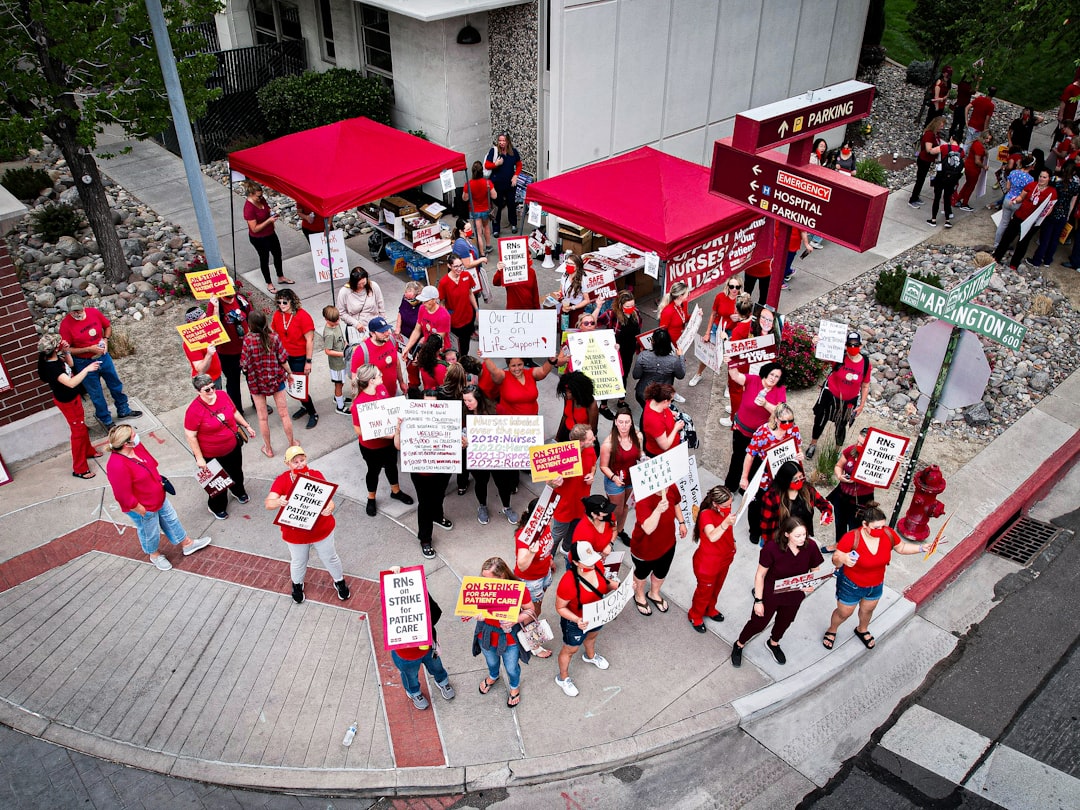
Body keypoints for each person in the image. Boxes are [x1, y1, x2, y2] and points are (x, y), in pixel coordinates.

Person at [105, 424, 212, 569]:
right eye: (133, 435)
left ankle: (187, 543)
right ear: (126, 444)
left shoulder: (136, 448)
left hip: (158, 497)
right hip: (143, 507)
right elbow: (122, 495)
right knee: (150, 532)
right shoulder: (116, 465)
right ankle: (154, 554)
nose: (136, 436)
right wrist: (141, 510)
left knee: (171, 519)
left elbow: (151, 464)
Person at [823, 503, 928, 651]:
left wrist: (921, 548)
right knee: (844, 613)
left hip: (876, 585)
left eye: (883, 526)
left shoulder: (888, 533)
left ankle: (862, 629)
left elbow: (902, 548)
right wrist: (843, 559)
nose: (880, 530)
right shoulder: (851, 537)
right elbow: (837, 559)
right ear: (865, 524)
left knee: (867, 610)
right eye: (876, 528)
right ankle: (832, 630)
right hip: (851, 585)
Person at [730, 516, 824, 667]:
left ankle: (773, 643)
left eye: (804, 535)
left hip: (794, 594)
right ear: (786, 534)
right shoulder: (771, 548)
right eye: (797, 536)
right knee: (758, 623)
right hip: (771, 593)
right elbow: (760, 575)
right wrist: (758, 601)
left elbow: (815, 570)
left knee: (784, 622)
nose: (802, 539)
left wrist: (810, 582)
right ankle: (739, 644)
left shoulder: (810, 546)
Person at [266, 446, 350, 604]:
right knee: (298, 560)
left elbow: (329, 500)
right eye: (295, 461)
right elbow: (269, 503)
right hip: (295, 534)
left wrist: (330, 508)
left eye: (302, 460)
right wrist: (278, 501)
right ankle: (297, 585)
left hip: (321, 530)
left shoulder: (316, 475)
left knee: (330, 557)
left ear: (306, 459)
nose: (299, 464)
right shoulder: (282, 480)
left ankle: (339, 581)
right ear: (287, 463)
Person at [59, 300, 142, 428]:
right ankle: (106, 419)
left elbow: (107, 326)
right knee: (96, 393)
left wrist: (105, 339)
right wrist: (88, 349)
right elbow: (67, 349)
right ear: (69, 310)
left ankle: (123, 410)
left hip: (103, 356)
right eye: (74, 311)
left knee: (115, 384)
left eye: (79, 310)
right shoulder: (66, 325)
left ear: (84, 307)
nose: (77, 313)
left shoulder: (93, 313)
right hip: (84, 362)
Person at [183, 373, 254, 520]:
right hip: (211, 453)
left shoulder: (222, 395)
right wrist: (199, 458)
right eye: (207, 390)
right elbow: (191, 435)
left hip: (232, 445)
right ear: (198, 392)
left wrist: (246, 426)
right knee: (217, 484)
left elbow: (233, 412)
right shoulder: (194, 410)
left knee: (236, 472)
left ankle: (238, 490)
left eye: (213, 387)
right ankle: (217, 506)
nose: (212, 391)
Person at [394, 392, 453, 560]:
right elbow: (398, 446)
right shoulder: (411, 420)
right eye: (426, 403)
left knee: (439, 495)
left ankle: (437, 516)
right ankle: (425, 539)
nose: (429, 407)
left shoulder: (447, 418)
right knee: (425, 504)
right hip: (421, 472)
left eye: (433, 404)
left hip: (442, 469)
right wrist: (398, 429)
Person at [36, 333, 102, 479]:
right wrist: (88, 369)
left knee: (81, 426)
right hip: (68, 402)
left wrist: (66, 352)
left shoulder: (54, 358)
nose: (62, 342)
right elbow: (71, 382)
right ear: (54, 348)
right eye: (59, 343)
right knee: (77, 433)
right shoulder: (51, 367)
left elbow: (70, 366)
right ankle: (79, 468)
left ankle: (88, 451)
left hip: (73, 398)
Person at [387, 574, 455, 711]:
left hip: (428, 648)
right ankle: (414, 692)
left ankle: (442, 681)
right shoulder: (391, 603)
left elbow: (436, 612)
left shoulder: (421, 596)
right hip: (406, 654)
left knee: (436, 666)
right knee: (410, 675)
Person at [472, 557, 534, 708]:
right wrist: (475, 613)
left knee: (512, 667)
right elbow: (471, 606)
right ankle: (493, 676)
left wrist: (516, 619)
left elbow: (530, 609)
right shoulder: (480, 587)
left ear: (502, 576)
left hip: (509, 636)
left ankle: (514, 686)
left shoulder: (519, 588)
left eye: (489, 579)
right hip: (487, 633)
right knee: (491, 661)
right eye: (483, 577)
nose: (485, 582)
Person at [352, 364, 414, 516]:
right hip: (371, 447)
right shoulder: (359, 404)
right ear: (371, 380)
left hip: (389, 442)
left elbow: (389, 410)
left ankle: (396, 491)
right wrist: (382, 434)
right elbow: (358, 430)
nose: (382, 376)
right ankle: (371, 497)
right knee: (373, 471)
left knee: (392, 466)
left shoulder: (382, 389)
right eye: (379, 375)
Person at [554, 541, 613, 697]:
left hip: (596, 615)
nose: (593, 564)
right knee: (570, 649)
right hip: (576, 622)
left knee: (592, 637)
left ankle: (590, 656)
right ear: (575, 562)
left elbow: (603, 587)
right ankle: (563, 677)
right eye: (588, 562)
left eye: (593, 559)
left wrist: (616, 586)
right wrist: (576, 619)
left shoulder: (598, 565)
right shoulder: (568, 582)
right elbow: (560, 607)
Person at [739, 402, 802, 544]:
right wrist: (744, 477)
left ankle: (772, 529)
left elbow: (797, 447)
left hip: (783, 476)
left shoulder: (793, 430)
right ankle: (754, 531)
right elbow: (750, 455)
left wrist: (800, 455)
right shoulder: (763, 432)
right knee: (756, 505)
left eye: (791, 421)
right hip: (763, 474)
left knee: (778, 504)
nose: (788, 424)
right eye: (784, 421)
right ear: (776, 419)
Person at [805, 331, 871, 460]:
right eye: (850, 345)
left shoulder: (866, 363)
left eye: (856, 345)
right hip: (830, 394)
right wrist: (816, 345)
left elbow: (865, 385)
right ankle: (813, 444)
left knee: (841, 426)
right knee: (820, 420)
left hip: (849, 400)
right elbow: (821, 356)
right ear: (845, 346)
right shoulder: (838, 356)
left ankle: (836, 451)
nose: (853, 347)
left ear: (861, 346)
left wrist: (862, 404)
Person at [238, 310, 296, 459]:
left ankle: (268, 449)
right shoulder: (274, 337)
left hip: (256, 382)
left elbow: (243, 364)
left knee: (262, 418)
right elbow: (283, 360)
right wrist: (289, 374)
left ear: (250, 325)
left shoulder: (248, 340)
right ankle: (292, 443)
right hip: (276, 378)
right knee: (284, 414)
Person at [724, 361, 787, 492]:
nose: (773, 378)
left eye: (777, 376)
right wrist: (731, 361)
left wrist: (765, 404)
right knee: (737, 457)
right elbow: (735, 376)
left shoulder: (780, 390)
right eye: (772, 374)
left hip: (760, 437)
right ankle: (730, 486)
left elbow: (780, 413)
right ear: (765, 373)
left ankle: (746, 489)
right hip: (741, 430)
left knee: (755, 462)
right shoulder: (753, 380)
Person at [461, 385, 518, 525]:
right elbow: (459, 431)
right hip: (475, 456)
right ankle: (482, 506)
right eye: (464, 401)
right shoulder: (464, 413)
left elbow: (510, 428)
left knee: (502, 483)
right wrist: (463, 441)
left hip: (496, 454)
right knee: (480, 482)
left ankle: (507, 507)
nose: (466, 404)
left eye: (469, 400)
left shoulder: (497, 410)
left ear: (479, 399)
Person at [630, 482, 685, 616]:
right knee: (641, 574)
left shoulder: (671, 487)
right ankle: (639, 595)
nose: (666, 488)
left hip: (668, 543)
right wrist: (658, 510)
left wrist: (681, 522)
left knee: (661, 572)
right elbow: (648, 528)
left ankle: (654, 593)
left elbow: (676, 503)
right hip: (645, 548)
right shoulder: (643, 498)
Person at [688, 486, 737, 632]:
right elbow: (712, 535)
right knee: (704, 593)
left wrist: (733, 541)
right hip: (708, 564)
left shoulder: (723, 510)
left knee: (717, 588)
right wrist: (725, 524)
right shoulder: (706, 515)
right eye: (726, 505)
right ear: (715, 504)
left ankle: (710, 609)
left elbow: (727, 531)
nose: (729, 507)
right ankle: (695, 615)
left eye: (730, 504)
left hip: (725, 558)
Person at [759, 460, 834, 552]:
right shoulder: (771, 497)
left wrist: (826, 515)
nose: (799, 481)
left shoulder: (808, 490)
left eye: (801, 478)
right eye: (795, 479)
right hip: (782, 542)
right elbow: (766, 528)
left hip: (803, 538)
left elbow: (825, 505)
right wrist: (771, 549)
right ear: (785, 480)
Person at [549, 423, 598, 558]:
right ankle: (549, 556)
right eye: (590, 438)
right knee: (557, 534)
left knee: (574, 530)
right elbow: (549, 483)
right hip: (564, 506)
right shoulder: (562, 456)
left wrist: (592, 474)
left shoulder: (590, 450)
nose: (594, 439)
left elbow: (594, 465)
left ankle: (566, 548)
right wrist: (554, 481)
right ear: (581, 442)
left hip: (581, 503)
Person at [272, 289, 318, 430]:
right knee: (292, 386)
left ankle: (313, 412)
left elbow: (309, 340)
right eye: (279, 302)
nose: (282, 304)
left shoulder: (303, 316)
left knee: (300, 388)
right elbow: (274, 333)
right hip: (285, 358)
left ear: (292, 301)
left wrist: (308, 362)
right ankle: (304, 406)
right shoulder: (278, 315)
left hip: (299, 357)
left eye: (285, 302)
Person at [993, 168, 1057, 269]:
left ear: (1049, 179)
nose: (1041, 179)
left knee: (1023, 242)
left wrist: (1040, 217)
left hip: (1032, 221)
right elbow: (1021, 197)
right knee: (1007, 236)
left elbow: (1049, 209)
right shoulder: (1032, 185)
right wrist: (1014, 201)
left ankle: (1014, 263)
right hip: (1020, 215)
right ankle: (997, 256)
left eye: (1044, 177)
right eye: (1040, 176)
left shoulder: (1051, 192)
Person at [597, 406, 643, 545]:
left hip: (631, 478)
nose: (624, 425)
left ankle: (619, 531)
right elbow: (603, 466)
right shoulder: (608, 444)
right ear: (615, 422)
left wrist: (644, 458)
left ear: (631, 423)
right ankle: (609, 535)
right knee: (615, 511)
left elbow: (639, 454)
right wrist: (613, 478)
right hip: (615, 481)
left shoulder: (638, 436)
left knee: (625, 508)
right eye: (621, 422)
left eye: (627, 422)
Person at [205, 290, 253, 414]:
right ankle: (237, 411)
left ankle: (257, 403)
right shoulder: (216, 304)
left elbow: (251, 316)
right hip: (227, 354)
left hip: (246, 349)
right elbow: (211, 327)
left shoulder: (240, 299)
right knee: (233, 383)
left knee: (252, 379)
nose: (231, 292)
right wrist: (214, 307)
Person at [690, 276, 741, 387]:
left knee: (731, 359)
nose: (734, 289)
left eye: (737, 287)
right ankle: (698, 374)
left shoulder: (742, 300)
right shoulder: (720, 297)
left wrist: (740, 318)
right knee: (707, 352)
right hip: (717, 328)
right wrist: (708, 332)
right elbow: (713, 314)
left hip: (733, 331)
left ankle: (729, 385)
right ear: (727, 286)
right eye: (732, 286)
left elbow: (748, 317)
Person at [242, 181, 292, 293]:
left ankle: (280, 276)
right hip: (258, 238)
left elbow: (267, 209)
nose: (261, 198)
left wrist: (271, 214)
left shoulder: (261, 199)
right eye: (258, 196)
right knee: (264, 259)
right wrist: (268, 221)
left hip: (270, 233)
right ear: (251, 194)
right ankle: (269, 283)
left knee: (277, 254)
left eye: (261, 195)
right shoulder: (249, 208)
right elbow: (254, 228)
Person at [829, 427, 876, 543]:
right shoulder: (851, 450)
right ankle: (839, 545)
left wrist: (898, 464)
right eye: (858, 442)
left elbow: (891, 479)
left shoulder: (875, 460)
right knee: (840, 522)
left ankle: (851, 549)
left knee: (855, 527)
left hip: (861, 500)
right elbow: (838, 466)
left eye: (862, 444)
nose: (858, 445)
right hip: (843, 494)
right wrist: (840, 476)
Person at [1031, 161, 1079, 267]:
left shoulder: (1055, 181)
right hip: (1063, 214)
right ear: (1074, 172)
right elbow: (1072, 202)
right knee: (1055, 239)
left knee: (1045, 238)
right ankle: (1048, 260)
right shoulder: (1075, 185)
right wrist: (1068, 215)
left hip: (1051, 212)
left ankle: (1037, 260)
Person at [483, 355, 560, 417]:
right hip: (511, 421)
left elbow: (543, 371)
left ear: (524, 363)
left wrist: (551, 361)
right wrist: (486, 359)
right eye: (513, 366)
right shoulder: (503, 376)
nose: (517, 369)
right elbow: (494, 371)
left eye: (520, 364)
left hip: (532, 419)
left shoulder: (531, 373)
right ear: (508, 365)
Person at [631, 327, 684, 411]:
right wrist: (681, 356)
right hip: (662, 396)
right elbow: (681, 375)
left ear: (653, 342)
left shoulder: (643, 355)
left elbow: (636, 375)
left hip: (643, 394)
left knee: (646, 412)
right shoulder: (674, 361)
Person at [437, 256, 479, 357]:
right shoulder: (444, 283)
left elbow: (470, 293)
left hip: (468, 317)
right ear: (449, 266)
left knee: (465, 345)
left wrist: (477, 310)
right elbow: (442, 303)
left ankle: (463, 363)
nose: (459, 269)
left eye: (461, 266)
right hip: (454, 320)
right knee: (455, 347)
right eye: (456, 266)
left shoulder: (466, 275)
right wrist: (444, 319)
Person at [351, 316, 402, 397]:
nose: (387, 333)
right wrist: (358, 400)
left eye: (387, 329)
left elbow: (397, 363)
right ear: (372, 333)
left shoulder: (391, 340)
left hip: (394, 392)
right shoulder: (361, 352)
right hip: (375, 399)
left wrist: (401, 382)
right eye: (382, 332)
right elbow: (355, 380)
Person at [994, 155, 1036, 245]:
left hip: (1008, 199)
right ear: (1031, 166)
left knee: (1003, 223)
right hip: (1018, 203)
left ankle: (997, 243)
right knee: (1013, 226)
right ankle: (1006, 244)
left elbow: (1008, 187)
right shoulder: (1030, 179)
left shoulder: (1013, 172)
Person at [485, 132, 522, 237]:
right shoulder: (494, 151)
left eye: (503, 141)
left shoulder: (513, 152)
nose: (501, 143)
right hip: (497, 184)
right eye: (500, 140)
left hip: (510, 184)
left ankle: (513, 223)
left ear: (508, 141)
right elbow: (487, 165)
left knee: (511, 204)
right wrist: (496, 164)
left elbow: (519, 165)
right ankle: (496, 228)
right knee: (497, 206)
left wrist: (516, 176)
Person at [335, 267, 386, 339]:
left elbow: (381, 305)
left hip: (374, 328)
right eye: (359, 284)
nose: (362, 286)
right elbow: (341, 313)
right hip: (357, 330)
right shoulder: (344, 292)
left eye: (364, 283)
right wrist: (356, 323)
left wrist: (382, 323)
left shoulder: (374, 286)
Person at [403, 285, 451, 356]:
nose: (423, 303)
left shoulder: (443, 316)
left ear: (434, 299)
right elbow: (417, 330)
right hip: (427, 346)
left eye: (426, 301)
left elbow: (437, 341)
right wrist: (407, 347)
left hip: (440, 350)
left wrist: (423, 355)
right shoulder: (422, 308)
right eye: (423, 301)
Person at [927, 135, 964, 228]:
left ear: (951, 138)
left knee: (937, 198)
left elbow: (931, 151)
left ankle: (933, 219)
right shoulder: (961, 151)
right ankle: (947, 220)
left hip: (941, 176)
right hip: (952, 179)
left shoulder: (945, 147)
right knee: (947, 198)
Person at [181, 306, 222, 387]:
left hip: (216, 376)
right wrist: (209, 354)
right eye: (203, 320)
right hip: (207, 383)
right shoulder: (190, 343)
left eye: (206, 318)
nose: (207, 321)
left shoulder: (205, 332)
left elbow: (215, 322)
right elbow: (200, 370)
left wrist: (216, 307)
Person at [909, 116, 944, 208]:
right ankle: (912, 199)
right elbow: (929, 149)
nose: (942, 127)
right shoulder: (929, 134)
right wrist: (941, 149)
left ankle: (916, 196)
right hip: (924, 160)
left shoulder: (936, 134)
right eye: (941, 125)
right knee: (920, 180)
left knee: (922, 179)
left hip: (928, 160)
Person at [641, 382, 683, 458]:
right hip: (662, 454)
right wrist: (676, 428)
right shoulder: (655, 422)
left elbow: (664, 409)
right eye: (671, 400)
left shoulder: (653, 401)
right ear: (665, 401)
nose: (670, 403)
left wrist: (670, 413)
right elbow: (665, 446)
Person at [550, 253, 591, 331]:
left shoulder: (583, 279)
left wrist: (573, 307)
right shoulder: (565, 275)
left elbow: (587, 300)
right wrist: (559, 294)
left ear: (577, 266)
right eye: (567, 263)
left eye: (571, 264)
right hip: (565, 306)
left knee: (573, 330)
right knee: (563, 328)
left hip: (576, 308)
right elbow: (561, 290)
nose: (568, 265)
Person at [462, 161, 497, 253]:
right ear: (482, 171)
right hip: (486, 209)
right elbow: (494, 196)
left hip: (474, 211)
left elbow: (465, 199)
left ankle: (481, 252)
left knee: (478, 232)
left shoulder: (468, 184)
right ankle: (488, 246)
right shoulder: (487, 182)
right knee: (486, 227)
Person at [555, 370, 599, 444]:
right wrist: (557, 437)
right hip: (566, 433)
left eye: (570, 392)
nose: (567, 395)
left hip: (580, 439)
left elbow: (592, 431)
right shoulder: (567, 398)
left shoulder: (591, 405)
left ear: (578, 391)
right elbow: (564, 416)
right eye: (566, 391)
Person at [955, 129, 993, 211]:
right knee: (970, 186)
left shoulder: (976, 143)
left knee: (967, 184)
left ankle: (958, 199)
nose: (988, 141)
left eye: (989, 139)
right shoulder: (979, 146)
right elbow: (977, 161)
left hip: (969, 166)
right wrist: (984, 166)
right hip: (973, 169)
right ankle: (964, 203)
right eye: (987, 139)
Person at [321, 305, 349, 415]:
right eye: (334, 321)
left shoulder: (336, 325)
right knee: (338, 383)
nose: (338, 322)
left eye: (338, 319)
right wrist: (342, 353)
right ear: (327, 320)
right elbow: (327, 351)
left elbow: (341, 337)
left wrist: (345, 343)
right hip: (336, 364)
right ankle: (340, 406)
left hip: (342, 361)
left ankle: (338, 397)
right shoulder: (329, 334)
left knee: (341, 382)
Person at [657, 281, 690, 349]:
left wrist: (696, 315)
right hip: (671, 343)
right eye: (687, 293)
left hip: (681, 340)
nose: (689, 294)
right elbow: (662, 331)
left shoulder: (684, 303)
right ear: (680, 296)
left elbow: (684, 318)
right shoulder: (668, 311)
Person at [964, 86, 996, 150]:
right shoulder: (991, 105)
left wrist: (966, 120)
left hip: (971, 124)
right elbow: (987, 120)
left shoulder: (979, 99)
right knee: (976, 145)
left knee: (967, 142)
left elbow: (967, 107)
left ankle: (960, 156)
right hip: (979, 128)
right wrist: (986, 131)